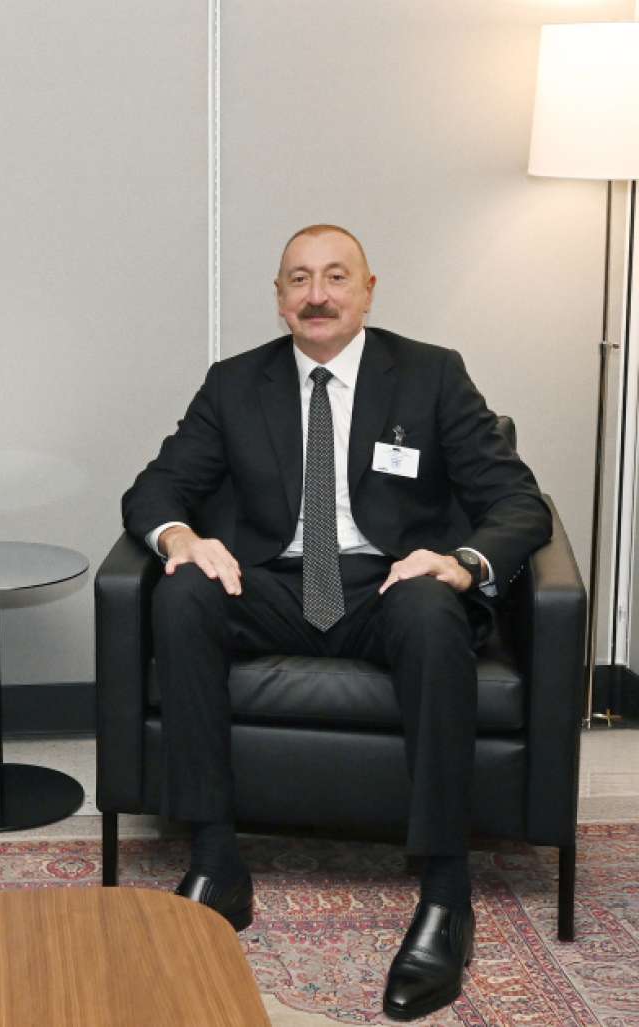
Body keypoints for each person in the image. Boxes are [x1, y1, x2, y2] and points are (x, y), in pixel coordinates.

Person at [121, 224, 551, 1022]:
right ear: (279, 298)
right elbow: (156, 487)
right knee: (183, 591)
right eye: (299, 279)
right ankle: (216, 860)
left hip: (386, 583)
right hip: (273, 583)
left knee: (433, 609)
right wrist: (181, 538)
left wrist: (462, 561)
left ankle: (446, 892)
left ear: (368, 290)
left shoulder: (430, 375)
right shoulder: (234, 383)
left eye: (335, 277)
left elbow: (520, 503)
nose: (316, 295)